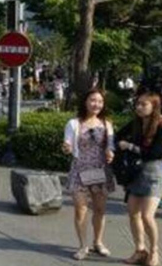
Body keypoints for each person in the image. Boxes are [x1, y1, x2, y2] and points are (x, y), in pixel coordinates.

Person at [116, 92, 162, 266]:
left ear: (154, 107)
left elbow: (156, 153)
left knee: (147, 216)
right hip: (136, 174)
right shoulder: (136, 123)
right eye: (138, 104)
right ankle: (140, 250)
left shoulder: (161, 126)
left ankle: (154, 252)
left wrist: (130, 146)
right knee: (133, 214)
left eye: (144, 104)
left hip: (153, 175)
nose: (139, 107)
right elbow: (118, 136)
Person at [62, 89, 115, 261]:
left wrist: (110, 153)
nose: (96, 104)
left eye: (100, 101)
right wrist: (67, 147)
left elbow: (110, 146)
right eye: (93, 100)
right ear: (85, 102)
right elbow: (68, 142)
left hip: (99, 170)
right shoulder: (74, 123)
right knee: (80, 209)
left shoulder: (106, 124)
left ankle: (98, 242)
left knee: (99, 209)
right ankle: (83, 245)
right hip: (79, 169)